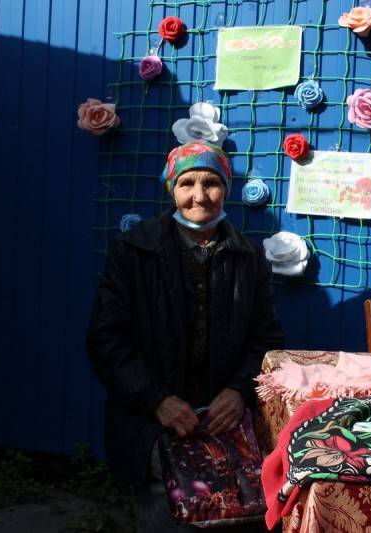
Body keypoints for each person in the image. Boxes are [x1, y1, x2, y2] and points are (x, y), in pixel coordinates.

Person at [86, 141, 285, 532]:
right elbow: (106, 340)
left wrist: (237, 391)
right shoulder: (135, 249)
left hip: (222, 416)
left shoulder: (247, 257)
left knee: (238, 513)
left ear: (226, 189)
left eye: (211, 183)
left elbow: (266, 339)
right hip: (152, 417)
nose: (199, 196)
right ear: (170, 189)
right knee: (168, 514)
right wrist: (156, 400)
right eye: (187, 183)